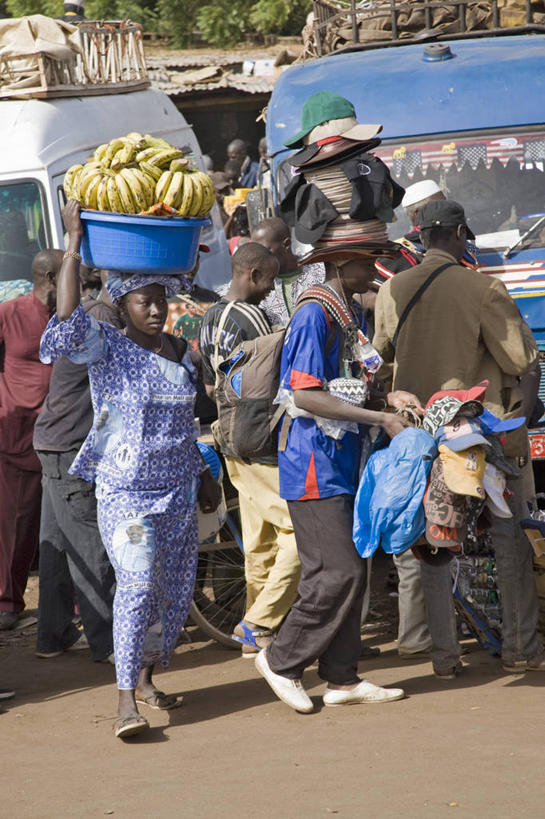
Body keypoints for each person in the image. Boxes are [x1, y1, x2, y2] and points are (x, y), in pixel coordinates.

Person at [40, 201, 221, 739]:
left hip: (177, 491)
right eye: (145, 303)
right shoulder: (107, 349)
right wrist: (74, 244)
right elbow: (67, 322)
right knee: (137, 583)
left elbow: (182, 424)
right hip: (127, 495)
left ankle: (143, 678)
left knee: (167, 592)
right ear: (123, 305)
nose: (156, 311)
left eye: (161, 302)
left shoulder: (180, 353)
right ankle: (124, 702)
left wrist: (204, 476)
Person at [373, 199, 545, 677]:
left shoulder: (393, 290)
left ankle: (444, 659)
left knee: (435, 542)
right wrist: (524, 415)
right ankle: (520, 649)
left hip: (420, 438)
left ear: (420, 235)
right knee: (509, 539)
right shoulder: (483, 288)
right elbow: (522, 360)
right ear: (462, 233)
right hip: (480, 439)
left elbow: (381, 359)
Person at [255, 243, 421, 713]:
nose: (372, 272)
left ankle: (342, 678)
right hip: (313, 464)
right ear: (338, 265)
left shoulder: (346, 311)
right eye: (364, 264)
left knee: (354, 568)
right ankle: (281, 660)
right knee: (337, 572)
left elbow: (356, 379)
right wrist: (378, 419)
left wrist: (389, 399)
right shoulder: (315, 314)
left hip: (342, 460)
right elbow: (304, 395)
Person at [199, 243, 302, 657]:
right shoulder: (254, 317)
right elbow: (275, 379)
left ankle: (255, 638)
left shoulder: (208, 318)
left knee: (259, 544)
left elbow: (209, 385)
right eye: (270, 279)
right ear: (253, 274)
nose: (271, 288)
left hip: (227, 436)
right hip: (259, 439)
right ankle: (258, 622)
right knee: (300, 533)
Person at [33, 269, 121, 663]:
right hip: (70, 447)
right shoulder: (104, 320)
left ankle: (53, 634)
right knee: (90, 545)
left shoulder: (97, 312)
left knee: (58, 545)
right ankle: (109, 643)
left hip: (54, 441)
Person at [0, 250, 60, 630]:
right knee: (16, 525)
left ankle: (68, 608)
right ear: (51, 277)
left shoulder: (68, 315)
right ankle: (7, 603)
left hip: (61, 436)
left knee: (63, 528)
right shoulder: (11, 313)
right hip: (18, 435)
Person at [251, 217, 325, 327]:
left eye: (265, 251)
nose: (259, 258)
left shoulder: (320, 271)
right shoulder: (257, 286)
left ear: (286, 244)